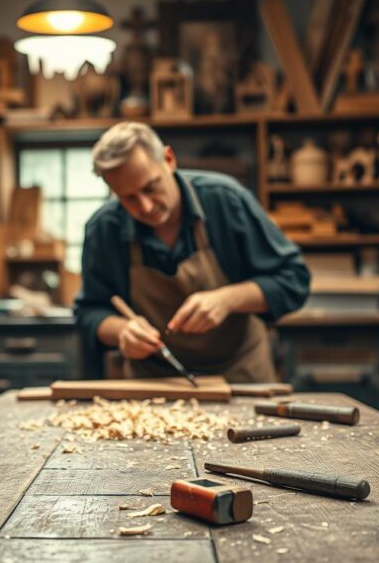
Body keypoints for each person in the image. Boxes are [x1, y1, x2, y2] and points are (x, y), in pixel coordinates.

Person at [73, 122, 311, 383]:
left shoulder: (225, 200)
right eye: (128, 198)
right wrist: (121, 332)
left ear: (168, 159)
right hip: (155, 383)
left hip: (240, 374)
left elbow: (294, 280)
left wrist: (228, 299)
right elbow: (89, 311)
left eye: (150, 187)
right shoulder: (104, 229)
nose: (146, 206)